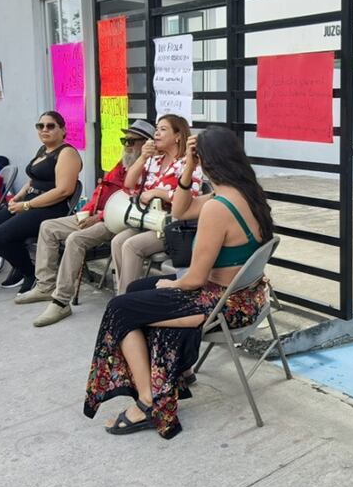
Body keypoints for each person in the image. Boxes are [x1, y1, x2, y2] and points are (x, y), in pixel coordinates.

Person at [84, 126, 271, 439]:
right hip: (246, 295)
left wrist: (170, 285)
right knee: (134, 290)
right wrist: (187, 166)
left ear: (208, 162)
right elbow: (182, 210)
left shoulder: (217, 208)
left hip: (220, 304)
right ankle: (178, 373)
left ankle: (148, 401)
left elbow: (194, 278)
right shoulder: (245, 193)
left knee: (120, 309)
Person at [14, 120, 154, 326]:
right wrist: (88, 209)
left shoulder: (147, 166)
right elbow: (102, 190)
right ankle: (45, 286)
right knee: (48, 227)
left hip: (117, 220)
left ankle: (61, 301)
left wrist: (98, 216)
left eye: (132, 141)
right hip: (96, 212)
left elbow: (130, 200)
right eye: (125, 140)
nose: (127, 145)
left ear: (146, 144)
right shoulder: (123, 162)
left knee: (76, 239)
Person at [0, 111, 82, 294]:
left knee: (0, 236)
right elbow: (33, 179)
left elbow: (64, 190)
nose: (44, 129)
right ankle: (20, 261)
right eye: (40, 126)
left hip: (52, 207)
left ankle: (29, 273)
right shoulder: (43, 150)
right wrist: (20, 196)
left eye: (50, 126)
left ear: (63, 130)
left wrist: (26, 205)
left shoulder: (67, 153)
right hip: (29, 202)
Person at [111, 114, 202, 294]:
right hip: (146, 220)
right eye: (156, 129)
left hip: (171, 225)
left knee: (131, 246)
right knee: (117, 241)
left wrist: (159, 193)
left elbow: (191, 198)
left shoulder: (188, 163)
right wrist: (143, 157)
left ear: (177, 136)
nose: (156, 134)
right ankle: (125, 293)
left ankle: (125, 299)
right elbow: (129, 184)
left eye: (163, 129)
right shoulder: (155, 160)